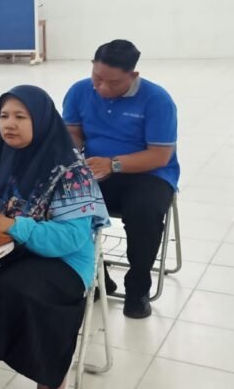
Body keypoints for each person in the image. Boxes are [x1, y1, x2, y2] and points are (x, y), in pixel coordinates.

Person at [0, 86, 109, 389]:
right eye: (4, 116)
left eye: (20, 116)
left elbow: (71, 237)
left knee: (11, 289)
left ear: (42, 120)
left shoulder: (71, 171)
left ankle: (48, 369)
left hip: (61, 261)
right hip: (0, 251)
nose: (9, 124)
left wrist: (11, 225)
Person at [62, 39, 178, 319]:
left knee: (144, 213)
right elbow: (74, 132)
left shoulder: (157, 100)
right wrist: (73, 153)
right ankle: (97, 277)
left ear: (133, 75)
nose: (101, 88)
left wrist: (113, 164)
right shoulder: (79, 91)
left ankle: (138, 288)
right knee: (65, 202)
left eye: (112, 83)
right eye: (97, 77)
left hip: (149, 174)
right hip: (97, 169)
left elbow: (160, 155)